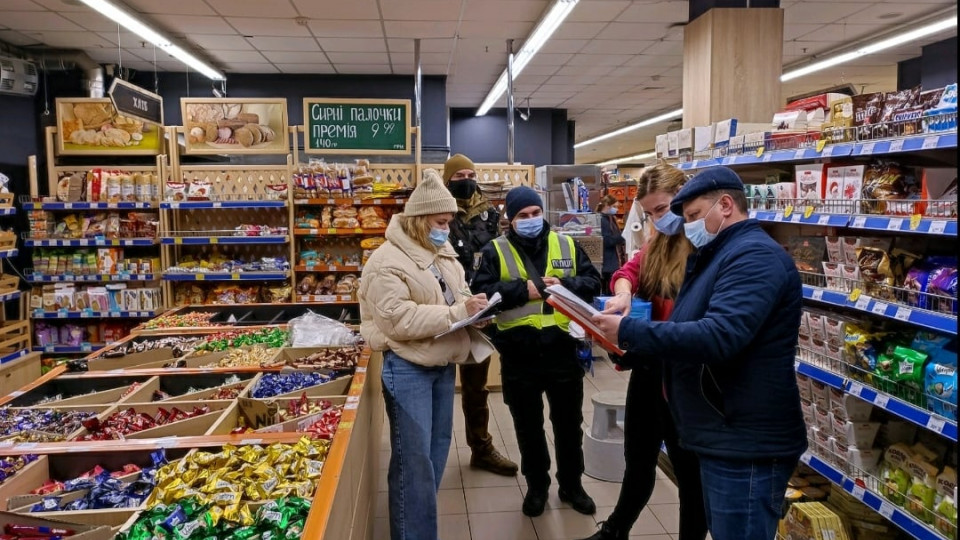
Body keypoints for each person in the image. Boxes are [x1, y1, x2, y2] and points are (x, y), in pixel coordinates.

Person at [592, 166, 807, 540]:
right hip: (714, 418)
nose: (681, 223)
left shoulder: (751, 256)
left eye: (690, 215)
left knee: (729, 519)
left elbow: (719, 335)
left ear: (725, 205)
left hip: (742, 434)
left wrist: (630, 331)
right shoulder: (716, 252)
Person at [359, 170, 492, 540]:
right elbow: (398, 319)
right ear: (419, 221)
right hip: (408, 368)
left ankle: (416, 527)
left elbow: (459, 292)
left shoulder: (440, 252)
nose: (446, 229)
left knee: (434, 456)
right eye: (441, 222)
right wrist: (457, 314)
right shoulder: (386, 262)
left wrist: (475, 311)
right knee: (413, 464)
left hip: (441, 363)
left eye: (449, 222)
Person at [582, 165, 706, 540]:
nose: (658, 218)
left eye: (663, 208)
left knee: (690, 476)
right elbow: (630, 270)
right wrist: (622, 291)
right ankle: (615, 531)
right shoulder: (659, 243)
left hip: (689, 378)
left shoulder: (707, 247)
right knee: (638, 459)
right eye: (650, 212)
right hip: (652, 369)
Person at [472, 186, 603, 517]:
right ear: (511, 219)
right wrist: (523, 290)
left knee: (568, 424)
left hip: (562, 351)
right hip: (519, 354)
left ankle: (572, 485)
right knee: (528, 427)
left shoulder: (567, 244)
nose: (531, 220)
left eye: (535, 213)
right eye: (522, 216)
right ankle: (537, 487)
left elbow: (593, 282)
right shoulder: (494, 251)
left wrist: (564, 285)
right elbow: (481, 294)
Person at [442, 153, 518, 477]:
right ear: (447, 181)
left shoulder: (490, 214)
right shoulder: (439, 214)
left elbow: (498, 253)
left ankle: (481, 448)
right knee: (437, 386)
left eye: (471, 174)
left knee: (476, 387)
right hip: (441, 310)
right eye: (459, 176)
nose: (467, 180)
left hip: (480, 309)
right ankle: (432, 453)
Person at [596, 194, 627, 293]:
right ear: (608, 206)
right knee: (608, 289)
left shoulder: (610, 218)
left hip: (611, 261)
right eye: (615, 206)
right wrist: (622, 237)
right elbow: (606, 240)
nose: (616, 209)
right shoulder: (602, 220)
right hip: (607, 262)